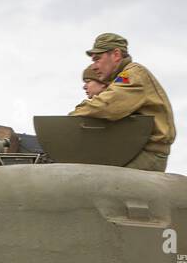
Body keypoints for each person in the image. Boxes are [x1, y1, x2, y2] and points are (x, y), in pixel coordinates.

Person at [70, 32, 175, 171]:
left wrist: (72, 116)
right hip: (132, 150)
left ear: (116, 55)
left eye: (97, 59)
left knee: (98, 185)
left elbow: (106, 106)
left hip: (148, 154)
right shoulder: (122, 77)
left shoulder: (132, 74)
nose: (94, 67)